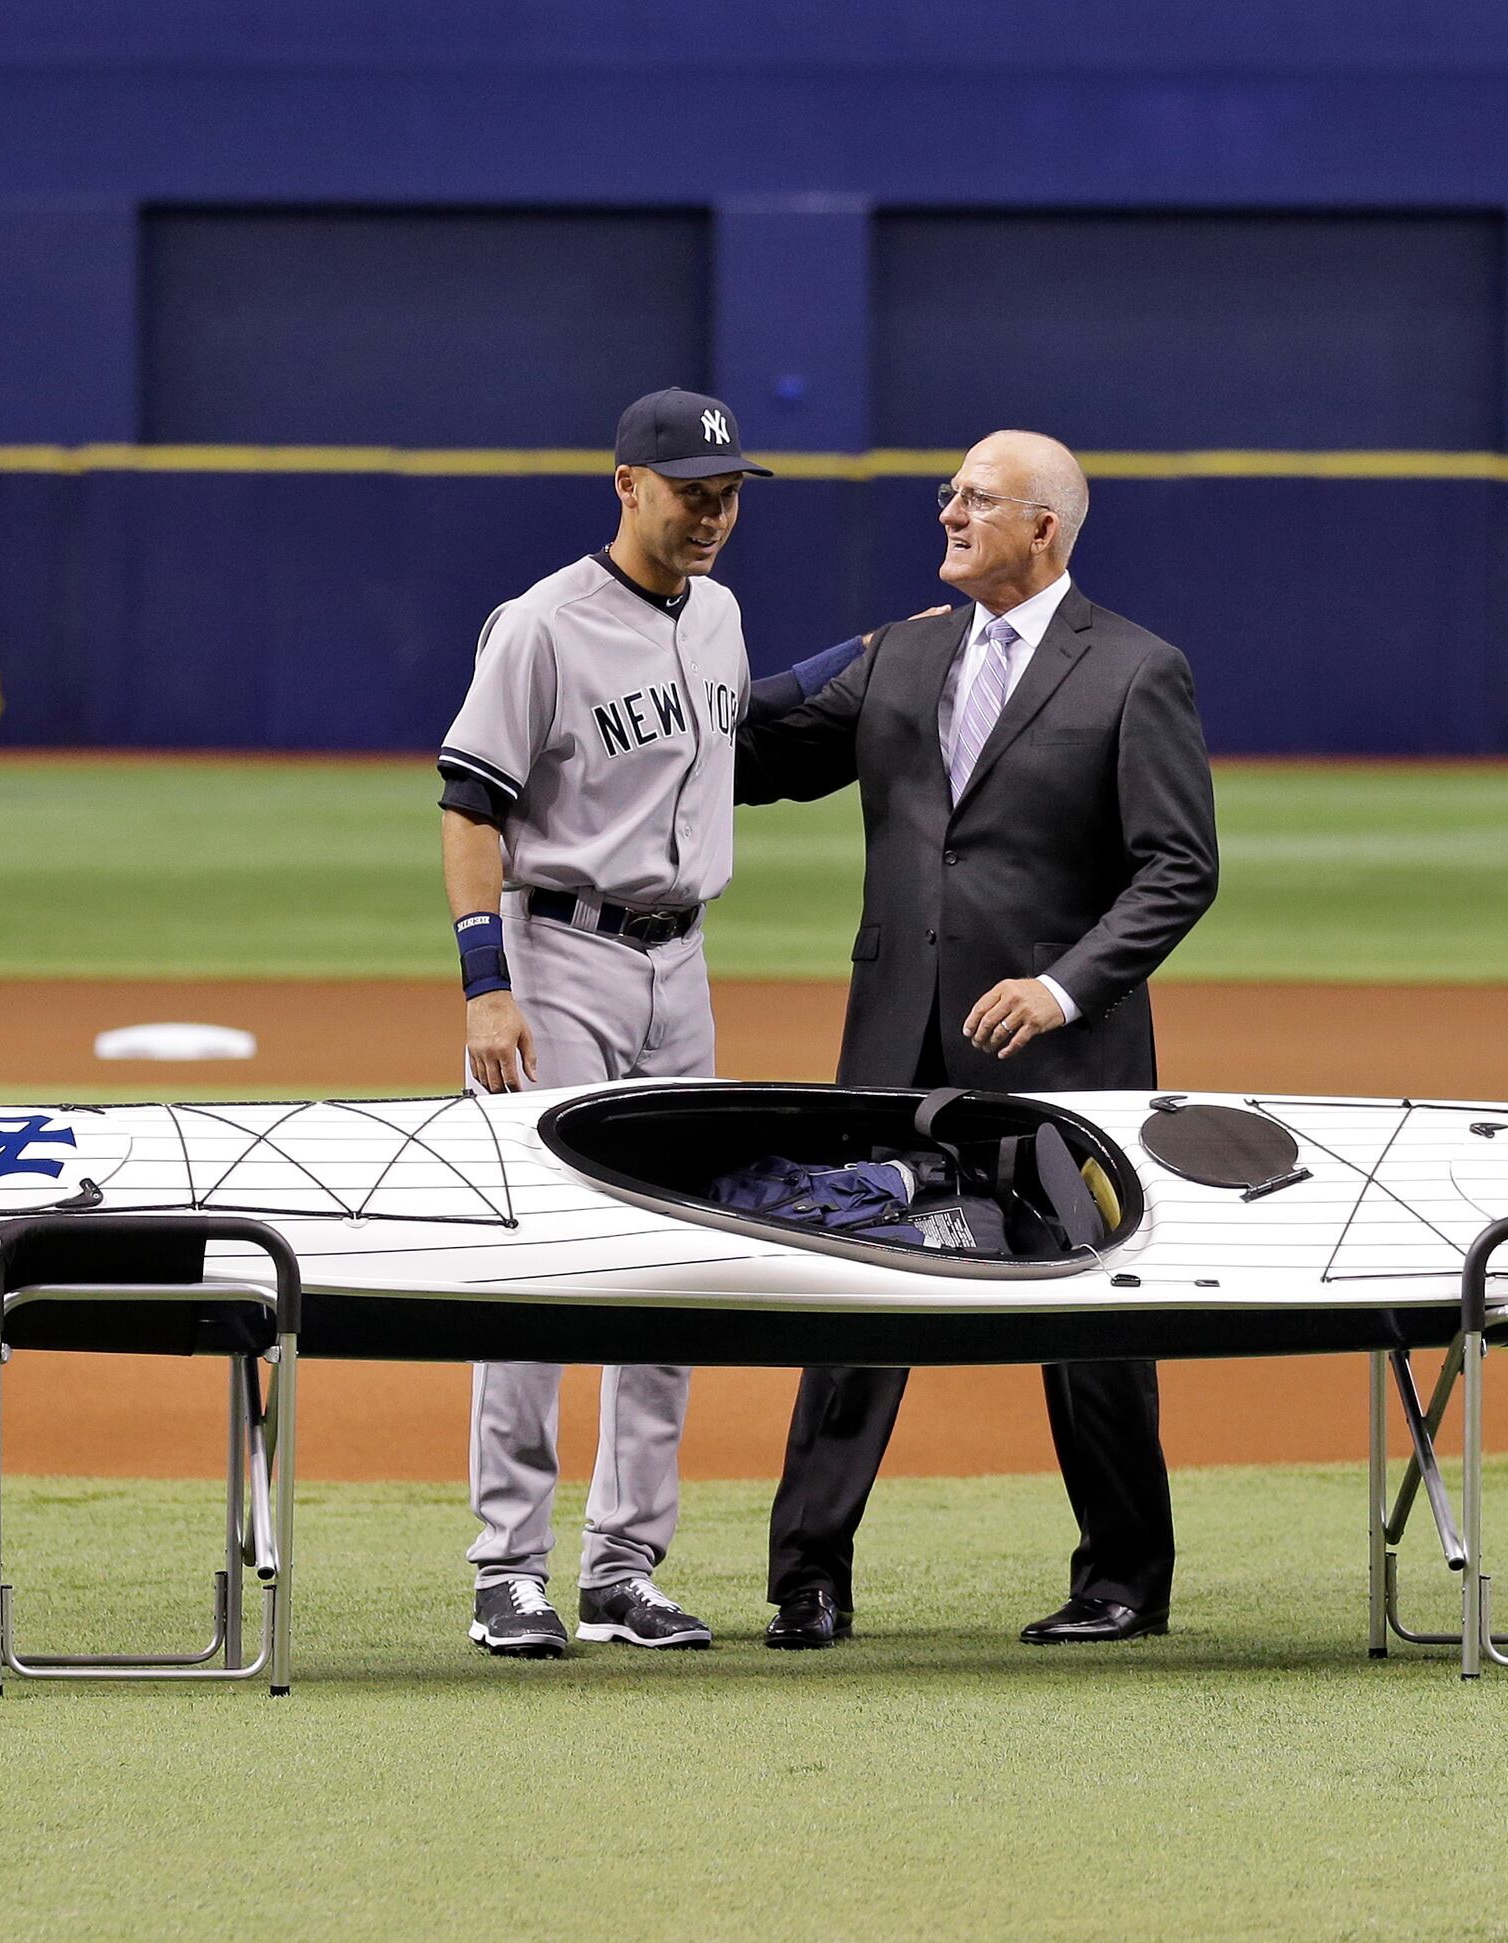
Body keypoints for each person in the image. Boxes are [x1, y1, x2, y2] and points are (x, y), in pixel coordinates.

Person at [734, 429, 1220, 1650]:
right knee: (852, 1293)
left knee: (1094, 1317)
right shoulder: (899, 655)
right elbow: (742, 754)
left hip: (1066, 1052)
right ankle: (809, 1576)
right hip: (897, 1037)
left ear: (1044, 524)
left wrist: (1064, 988)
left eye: (975, 499)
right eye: (947, 493)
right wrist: (653, 668)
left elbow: (1179, 868)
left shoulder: (1135, 669)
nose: (947, 512)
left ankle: (1122, 1578)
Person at [433, 387, 768, 1657]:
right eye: (691, 492)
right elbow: (470, 808)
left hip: (681, 966)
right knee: (542, 1255)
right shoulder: (542, 626)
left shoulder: (722, 617)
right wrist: (485, 979)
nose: (713, 516)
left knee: (677, 1256)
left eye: (728, 494)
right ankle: (506, 1564)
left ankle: (625, 1563)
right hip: (557, 955)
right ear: (627, 482)